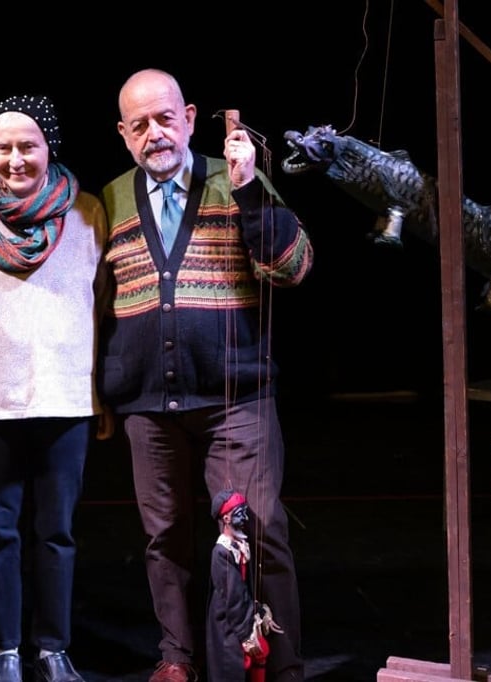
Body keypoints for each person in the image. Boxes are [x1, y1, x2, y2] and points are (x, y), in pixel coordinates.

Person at [98, 69, 312, 682]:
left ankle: (282, 665)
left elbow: (292, 267)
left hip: (235, 398)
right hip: (147, 402)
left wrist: (249, 192)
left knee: (261, 531)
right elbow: (98, 299)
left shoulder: (234, 177)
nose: (155, 134)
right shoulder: (111, 198)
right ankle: (178, 656)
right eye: (139, 124)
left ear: (189, 118)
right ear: (123, 133)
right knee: (164, 536)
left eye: (165, 118)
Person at [0, 94, 108, 682]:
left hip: (67, 399)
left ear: (48, 147)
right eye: (2, 147)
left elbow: (102, 305)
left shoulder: (87, 212)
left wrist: (100, 393)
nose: (15, 159)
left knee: (56, 534)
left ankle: (53, 648)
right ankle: (4, 651)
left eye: (27, 146)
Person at [207, 490, 282, 682]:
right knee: (232, 666)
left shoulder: (240, 546)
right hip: (228, 619)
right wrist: (246, 631)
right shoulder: (221, 553)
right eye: (240, 514)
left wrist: (257, 610)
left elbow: (243, 587)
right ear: (226, 518)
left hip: (241, 611)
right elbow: (232, 594)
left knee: (261, 651)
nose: (245, 518)